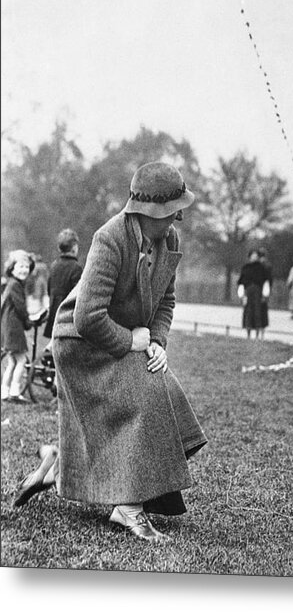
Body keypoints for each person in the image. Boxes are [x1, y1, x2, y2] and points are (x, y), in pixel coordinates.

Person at [14, 162, 207, 541]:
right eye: (171, 212)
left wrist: (156, 342)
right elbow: (87, 317)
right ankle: (127, 507)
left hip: (128, 336)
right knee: (147, 397)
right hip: (81, 343)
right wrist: (130, 342)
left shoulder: (169, 241)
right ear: (148, 212)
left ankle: (59, 465)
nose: (177, 219)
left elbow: (166, 300)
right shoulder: (110, 238)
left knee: (169, 395)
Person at [1, 250, 36, 403]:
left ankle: (4, 391)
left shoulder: (11, 284)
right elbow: (21, 308)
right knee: (21, 360)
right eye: (20, 266)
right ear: (12, 269)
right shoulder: (15, 285)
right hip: (14, 328)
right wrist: (29, 322)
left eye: (26, 267)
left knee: (12, 362)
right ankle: (15, 391)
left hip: (7, 327)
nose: (24, 270)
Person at [44, 228, 83, 339]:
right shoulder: (76, 268)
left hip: (54, 311)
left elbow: (48, 288)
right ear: (75, 247)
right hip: (67, 314)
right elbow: (78, 294)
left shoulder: (54, 265)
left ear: (59, 248)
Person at [237, 249, 270, 339]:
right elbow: (241, 283)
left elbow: (266, 282)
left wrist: (264, 295)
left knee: (258, 313)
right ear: (249, 257)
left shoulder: (262, 268)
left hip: (258, 294)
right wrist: (241, 295)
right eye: (253, 256)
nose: (254, 257)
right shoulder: (246, 268)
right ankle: (248, 334)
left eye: (256, 256)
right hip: (248, 293)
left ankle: (257, 335)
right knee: (248, 313)